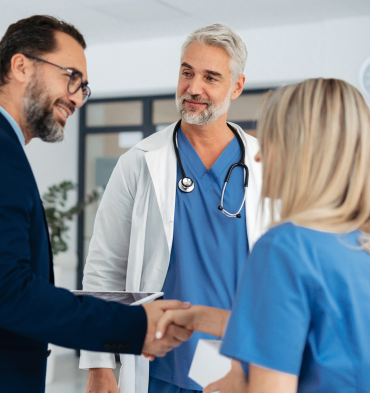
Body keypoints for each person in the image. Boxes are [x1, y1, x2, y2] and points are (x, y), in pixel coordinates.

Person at [0, 15, 192, 393]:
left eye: (84, 88)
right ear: (21, 66)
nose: (77, 97)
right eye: (70, 77)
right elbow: (6, 293)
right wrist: (135, 326)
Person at [156, 78, 370, 393]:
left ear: (302, 152)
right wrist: (201, 317)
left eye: (271, 140)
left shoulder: (286, 247)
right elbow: (315, 336)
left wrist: (230, 386)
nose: (259, 158)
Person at [80, 24, 269, 393]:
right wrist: (99, 365)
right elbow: (105, 269)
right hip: (163, 368)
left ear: (237, 86)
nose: (193, 87)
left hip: (243, 369)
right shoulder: (140, 162)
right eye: (187, 73)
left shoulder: (267, 164)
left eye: (210, 77)